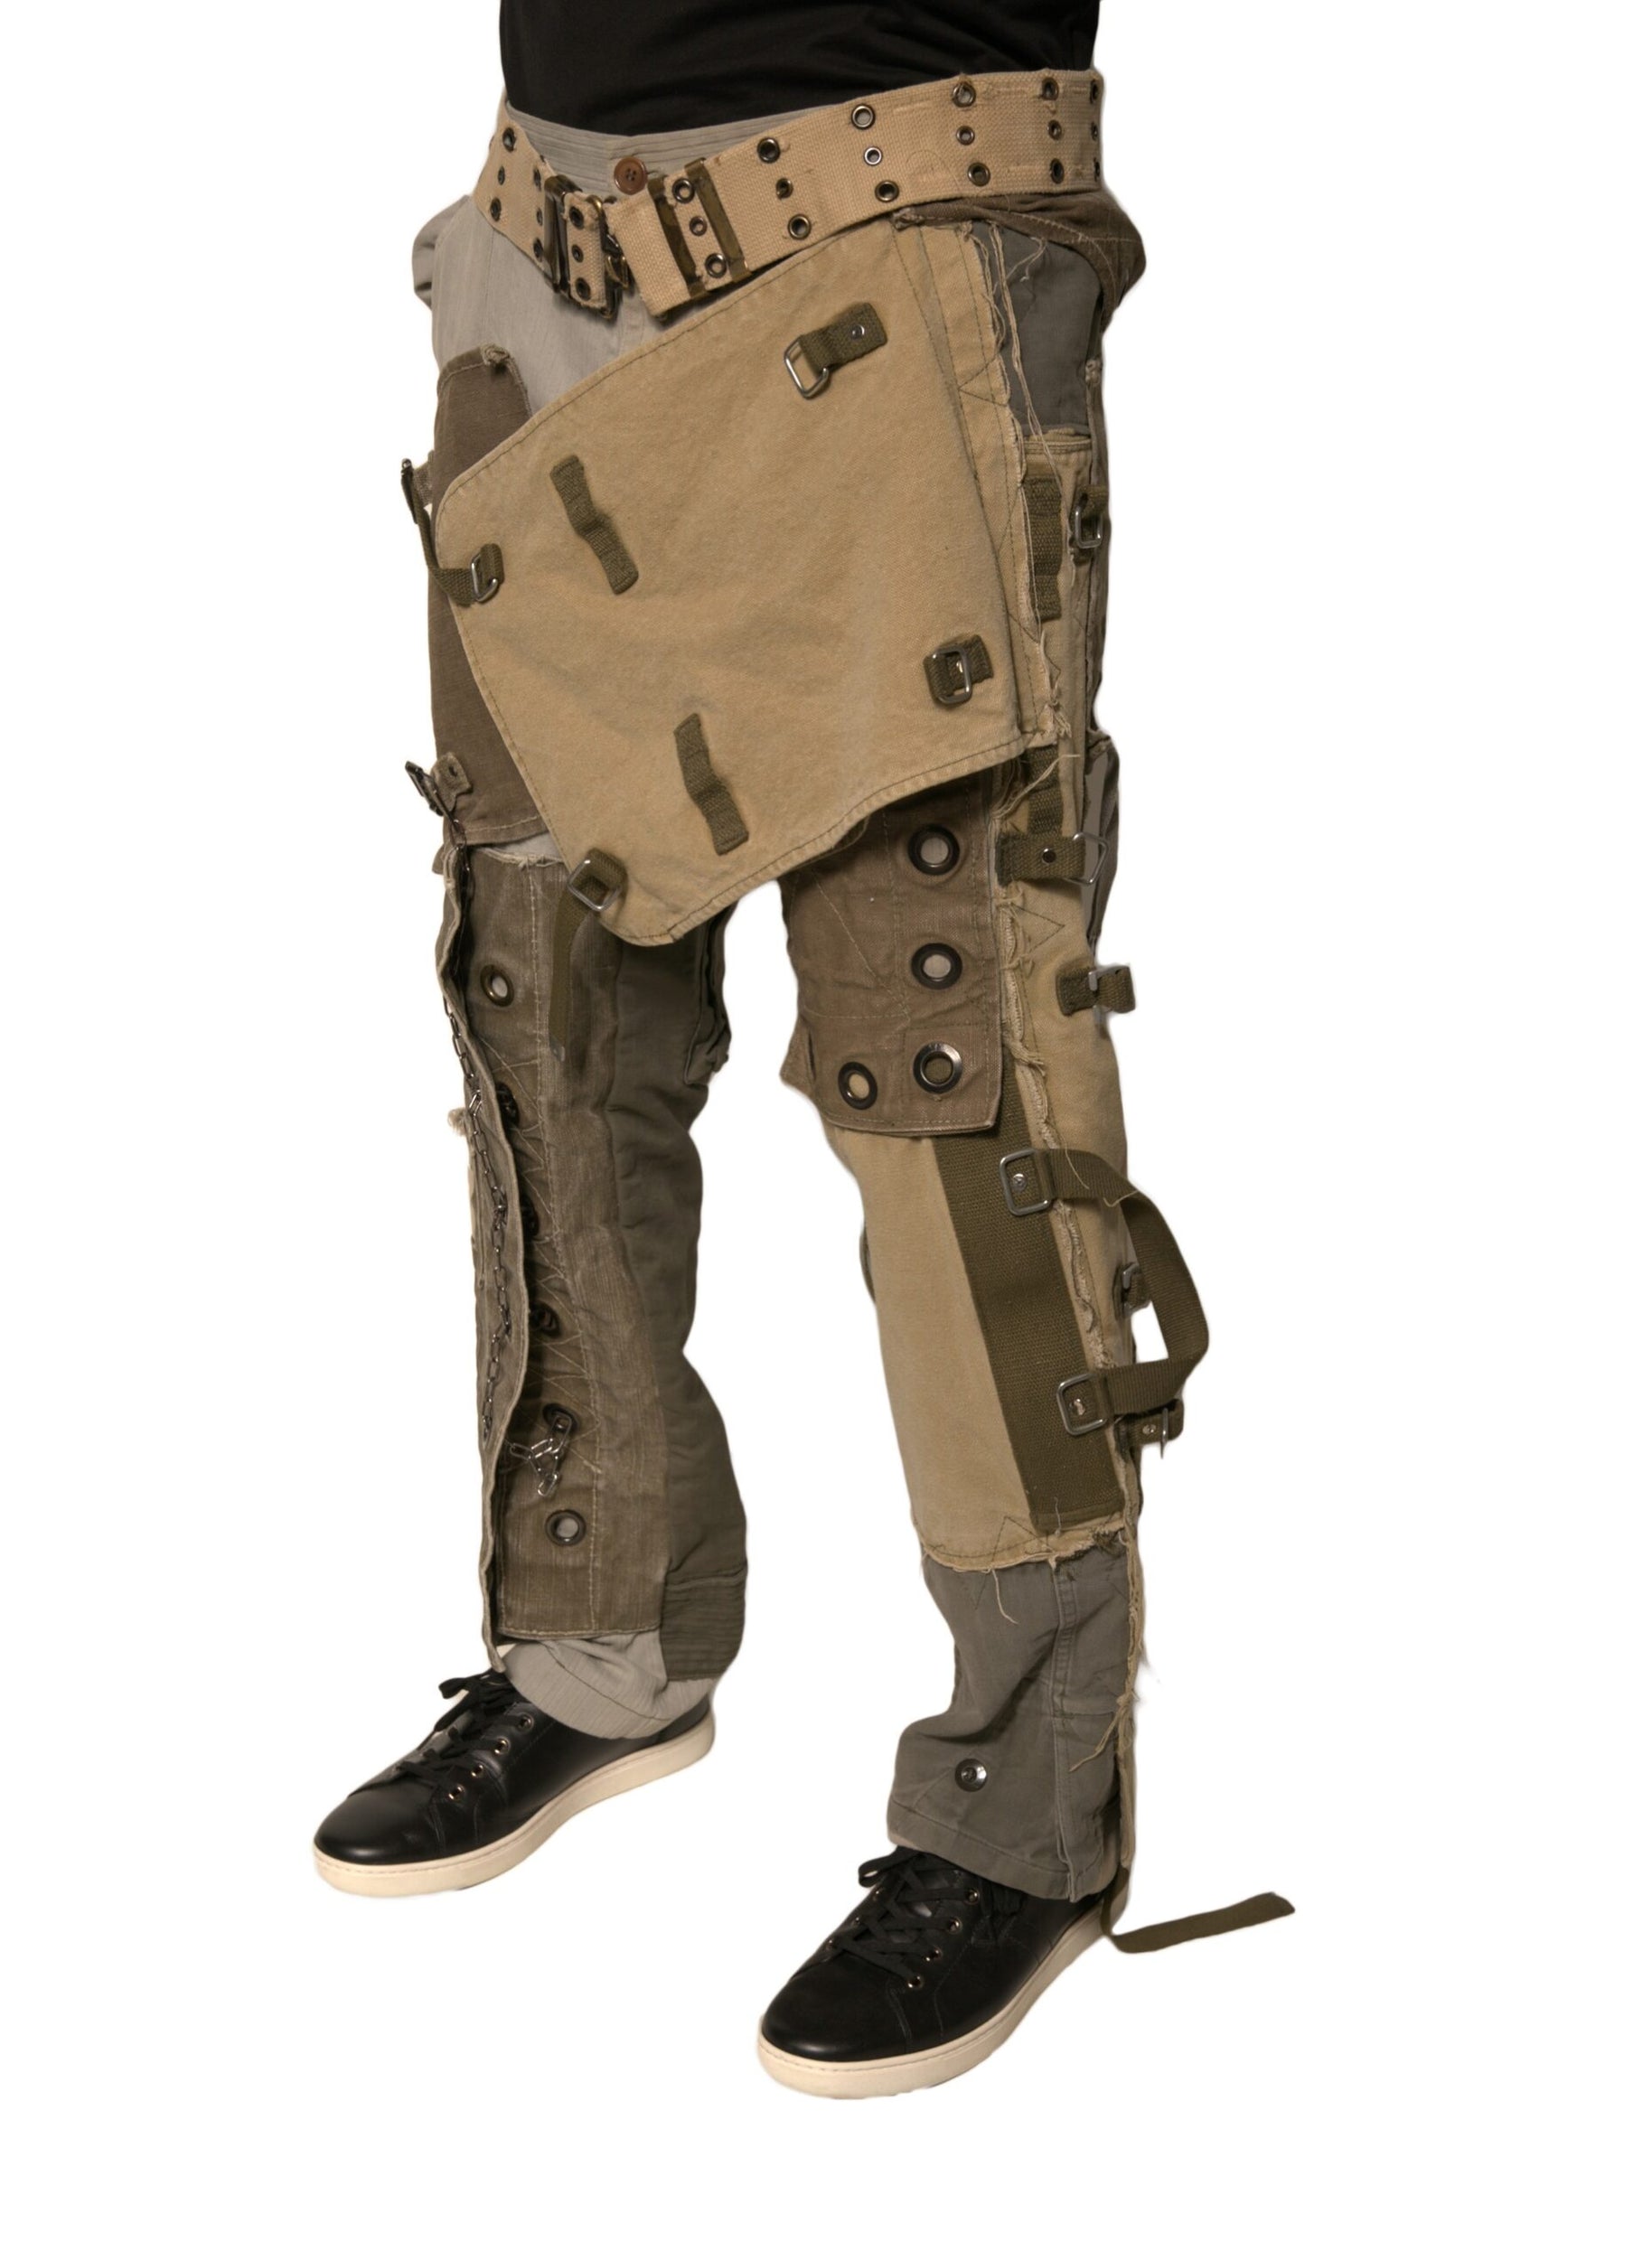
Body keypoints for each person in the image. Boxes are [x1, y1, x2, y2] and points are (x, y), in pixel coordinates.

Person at [313, 1, 1289, 2097]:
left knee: (944, 1053)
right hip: (543, 246)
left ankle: (1020, 1815)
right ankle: (601, 1641)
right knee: (544, 1000)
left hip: (898, 232)